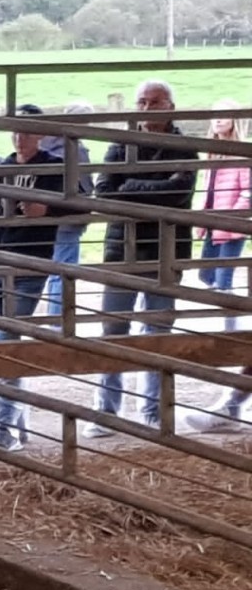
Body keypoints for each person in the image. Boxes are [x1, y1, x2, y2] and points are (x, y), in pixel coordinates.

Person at [88, 80, 198, 435]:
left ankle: (154, 412)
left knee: (159, 329)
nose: (147, 109)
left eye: (154, 102)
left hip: (166, 252)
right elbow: (104, 194)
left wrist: (132, 188)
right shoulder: (121, 145)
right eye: (141, 102)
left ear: (170, 107)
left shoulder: (185, 147)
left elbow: (180, 194)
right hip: (123, 251)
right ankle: (107, 410)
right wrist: (154, 191)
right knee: (114, 327)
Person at [0, 104, 76, 452]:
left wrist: (47, 209)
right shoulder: (3, 167)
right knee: (0, 333)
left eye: (28, 131)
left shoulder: (52, 167)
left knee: (7, 336)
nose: (21, 138)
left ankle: (1, 425)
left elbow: (79, 204)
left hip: (31, 260)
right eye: (16, 131)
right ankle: (12, 424)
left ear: (40, 135)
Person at [40, 100, 94, 317]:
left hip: (46, 218)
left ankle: (53, 319)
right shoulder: (75, 149)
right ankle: (57, 321)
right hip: (69, 219)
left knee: (53, 270)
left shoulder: (44, 143)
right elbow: (85, 183)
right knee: (64, 271)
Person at [196, 99, 250, 294]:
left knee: (222, 280)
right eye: (215, 116)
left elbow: (248, 191)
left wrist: (232, 217)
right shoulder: (212, 153)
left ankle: (230, 318)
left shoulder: (243, 154)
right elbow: (207, 188)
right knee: (205, 275)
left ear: (235, 120)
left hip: (231, 224)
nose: (218, 120)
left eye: (224, 115)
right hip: (212, 222)